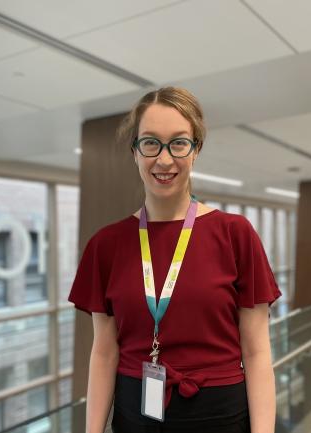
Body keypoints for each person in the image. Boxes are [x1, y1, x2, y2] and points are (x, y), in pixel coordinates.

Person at [68, 87, 281, 433]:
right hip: (135, 416)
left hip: (220, 417)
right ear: (134, 152)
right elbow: (104, 352)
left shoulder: (235, 234)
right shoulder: (105, 245)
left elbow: (256, 352)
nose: (164, 160)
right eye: (151, 143)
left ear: (195, 150)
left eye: (179, 143)